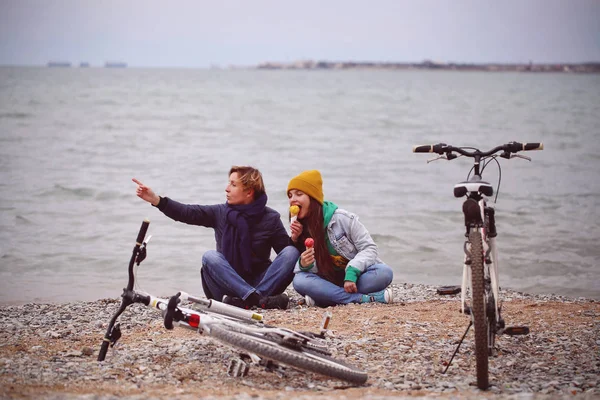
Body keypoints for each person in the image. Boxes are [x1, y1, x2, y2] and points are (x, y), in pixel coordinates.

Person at [132, 166, 299, 309]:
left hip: (259, 281)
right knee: (210, 257)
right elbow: (187, 213)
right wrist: (156, 200)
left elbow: (285, 256)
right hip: (225, 284)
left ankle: (248, 300)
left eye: (233, 185)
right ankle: (258, 300)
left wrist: (296, 238)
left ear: (249, 192)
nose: (227, 189)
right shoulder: (220, 213)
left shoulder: (270, 218)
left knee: (292, 252)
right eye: (229, 183)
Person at [287, 170, 394, 307]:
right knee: (299, 281)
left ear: (313, 198)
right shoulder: (300, 228)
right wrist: (303, 262)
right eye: (290, 196)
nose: (292, 199)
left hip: (354, 278)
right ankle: (362, 299)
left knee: (384, 273)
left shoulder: (343, 219)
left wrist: (352, 272)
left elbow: (369, 248)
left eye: (299, 194)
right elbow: (307, 272)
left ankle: (324, 298)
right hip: (326, 281)